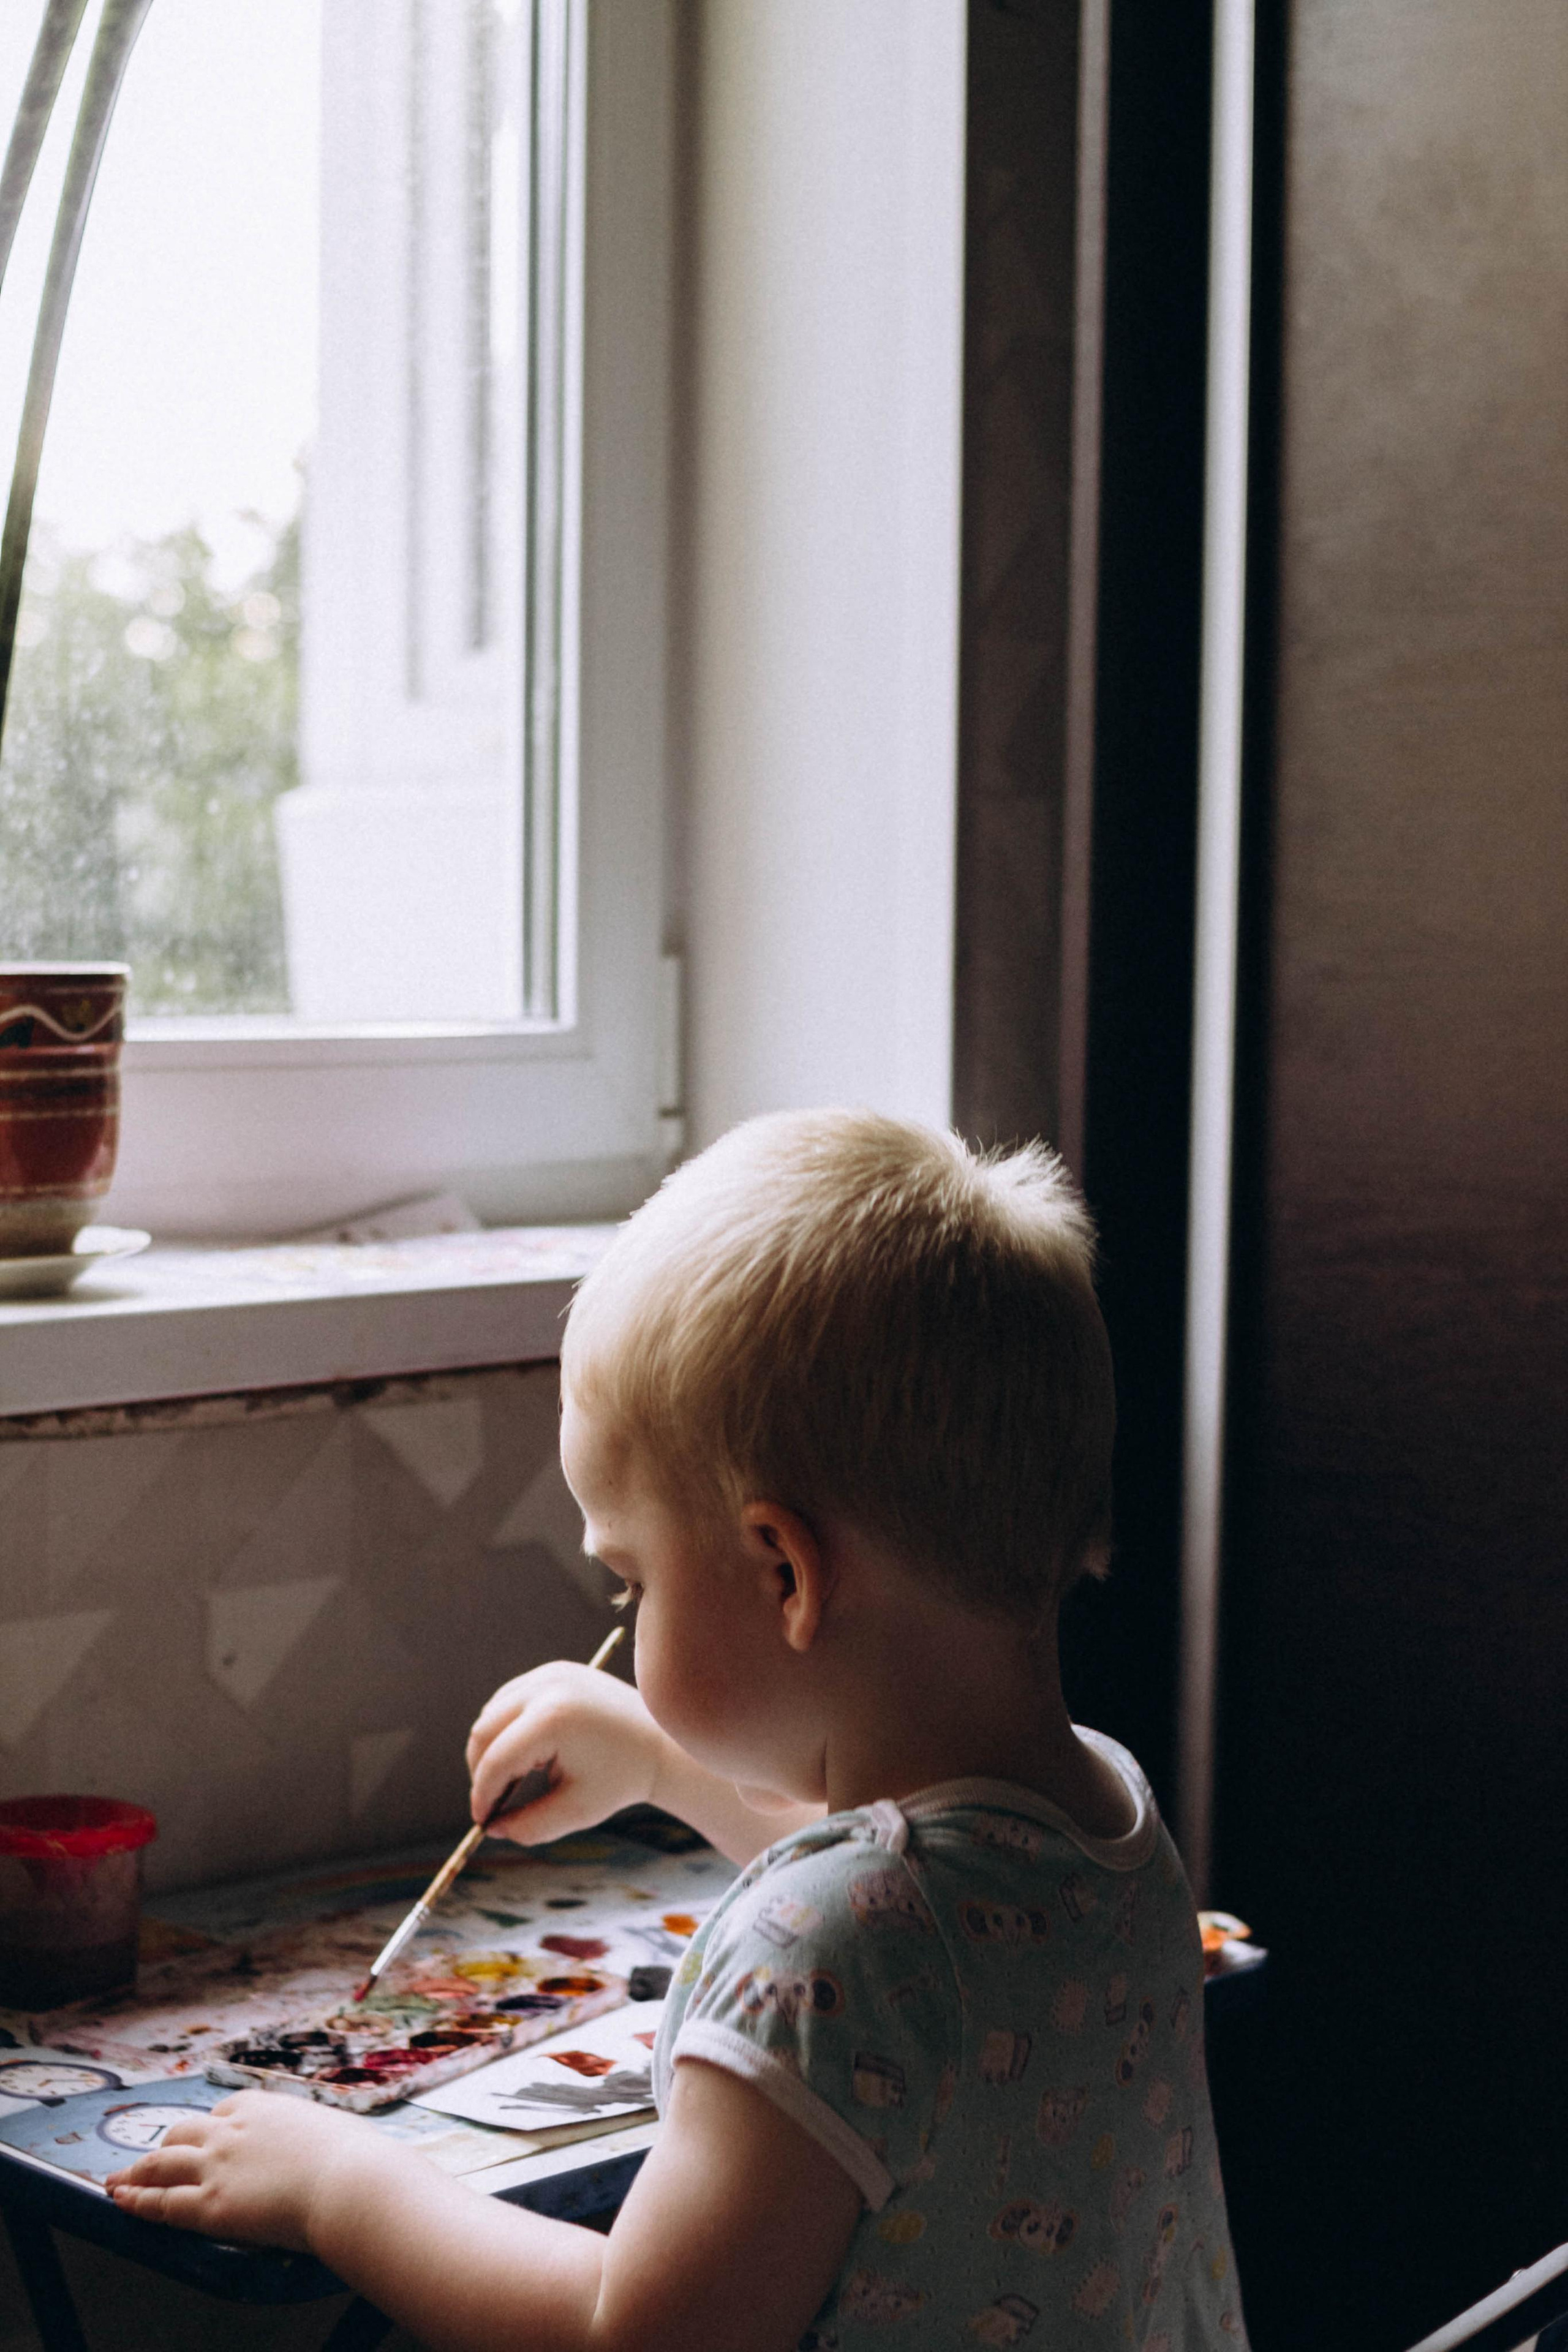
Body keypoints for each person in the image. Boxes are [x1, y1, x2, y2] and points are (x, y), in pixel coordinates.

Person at [108, 1110, 1248, 2350]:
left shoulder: (821, 1957)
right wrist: (659, 1759)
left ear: (784, 1575)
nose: (625, 1616)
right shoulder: (1107, 1818)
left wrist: (343, 2188)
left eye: (632, 1583)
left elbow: (628, 2329)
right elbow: (930, 1889)